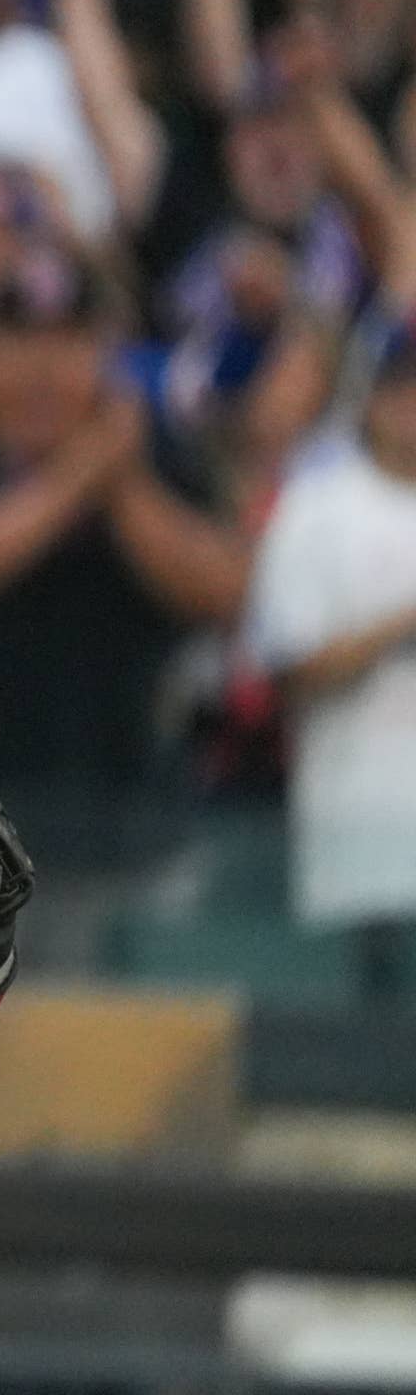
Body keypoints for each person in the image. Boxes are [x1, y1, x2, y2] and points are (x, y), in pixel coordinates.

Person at [0, 241, 250, 923]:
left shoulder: (150, 449)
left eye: (69, 342)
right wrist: (78, 481)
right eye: (17, 340)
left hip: (122, 836)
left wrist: (124, 486)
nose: (43, 369)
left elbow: (225, 592)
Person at [245, 318, 416, 996]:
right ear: (371, 398)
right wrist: (401, 624)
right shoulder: (319, 506)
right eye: (402, 388)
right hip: (361, 845)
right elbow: (287, 662)